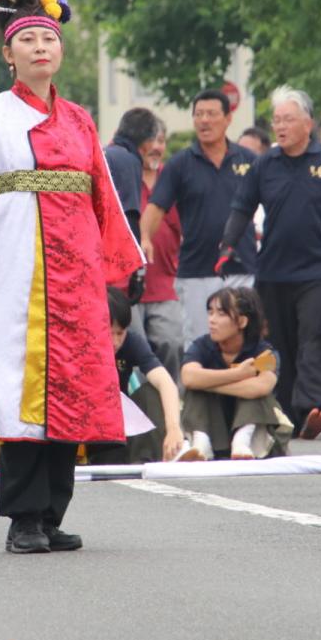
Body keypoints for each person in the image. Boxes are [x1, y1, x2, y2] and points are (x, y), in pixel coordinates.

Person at [0, 0, 143, 554]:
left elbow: (103, 196)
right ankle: (23, 518)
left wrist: (120, 268)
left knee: (72, 392)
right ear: (8, 53)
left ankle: (53, 513)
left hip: (76, 279)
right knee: (18, 392)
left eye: (47, 39)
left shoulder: (79, 120)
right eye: (26, 39)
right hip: (16, 277)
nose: (39, 49)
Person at [220, 86, 321, 440]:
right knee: (281, 344)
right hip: (273, 272)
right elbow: (242, 208)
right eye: (276, 120)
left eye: (288, 119)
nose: (280, 126)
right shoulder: (264, 165)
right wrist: (226, 245)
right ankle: (287, 411)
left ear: (308, 123)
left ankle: (311, 408)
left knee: (315, 339)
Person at [141, 90, 257, 349]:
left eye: (212, 114)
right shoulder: (180, 164)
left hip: (244, 268)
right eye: (199, 114)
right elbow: (156, 206)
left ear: (228, 118)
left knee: (245, 342)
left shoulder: (249, 160)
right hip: (196, 270)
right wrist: (145, 238)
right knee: (200, 345)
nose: (204, 120)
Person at [179, 287, 291, 460]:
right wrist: (238, 373)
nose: (212, 321)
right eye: (210, 313)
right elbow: (188, 377)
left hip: (257, 434)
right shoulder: (202, 345)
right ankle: (201, 444)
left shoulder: (264, 352)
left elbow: (261, 387)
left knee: (257, 393)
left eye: (221, 314)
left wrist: (209, 384)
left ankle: (242, 441)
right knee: (195, 387)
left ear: (242, 322)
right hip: (216, 428)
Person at [87, 287, 183, 464]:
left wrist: (173, 429)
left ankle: (160, 454)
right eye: (109, 333)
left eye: (120, 333)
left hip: (121, 422)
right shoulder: (81, 345)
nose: (115, 342)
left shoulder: (132, 342)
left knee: (151, 391)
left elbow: (165, 382)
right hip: (90, 423)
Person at [132, 119, 184, 381]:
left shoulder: (173, 178)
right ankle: (143, 415)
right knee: (135, 354)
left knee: (172, 343)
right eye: (149, 140)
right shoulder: (124, 176)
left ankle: (173, 404)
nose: (155, 147)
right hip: (128, 284)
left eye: (161, 141)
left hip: (166, 283)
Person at [105, 107, 162, 302]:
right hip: (113, 265)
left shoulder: (106, 153)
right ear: (147, 142)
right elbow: (130, 216)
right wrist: (138, 271)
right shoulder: (128, 161)